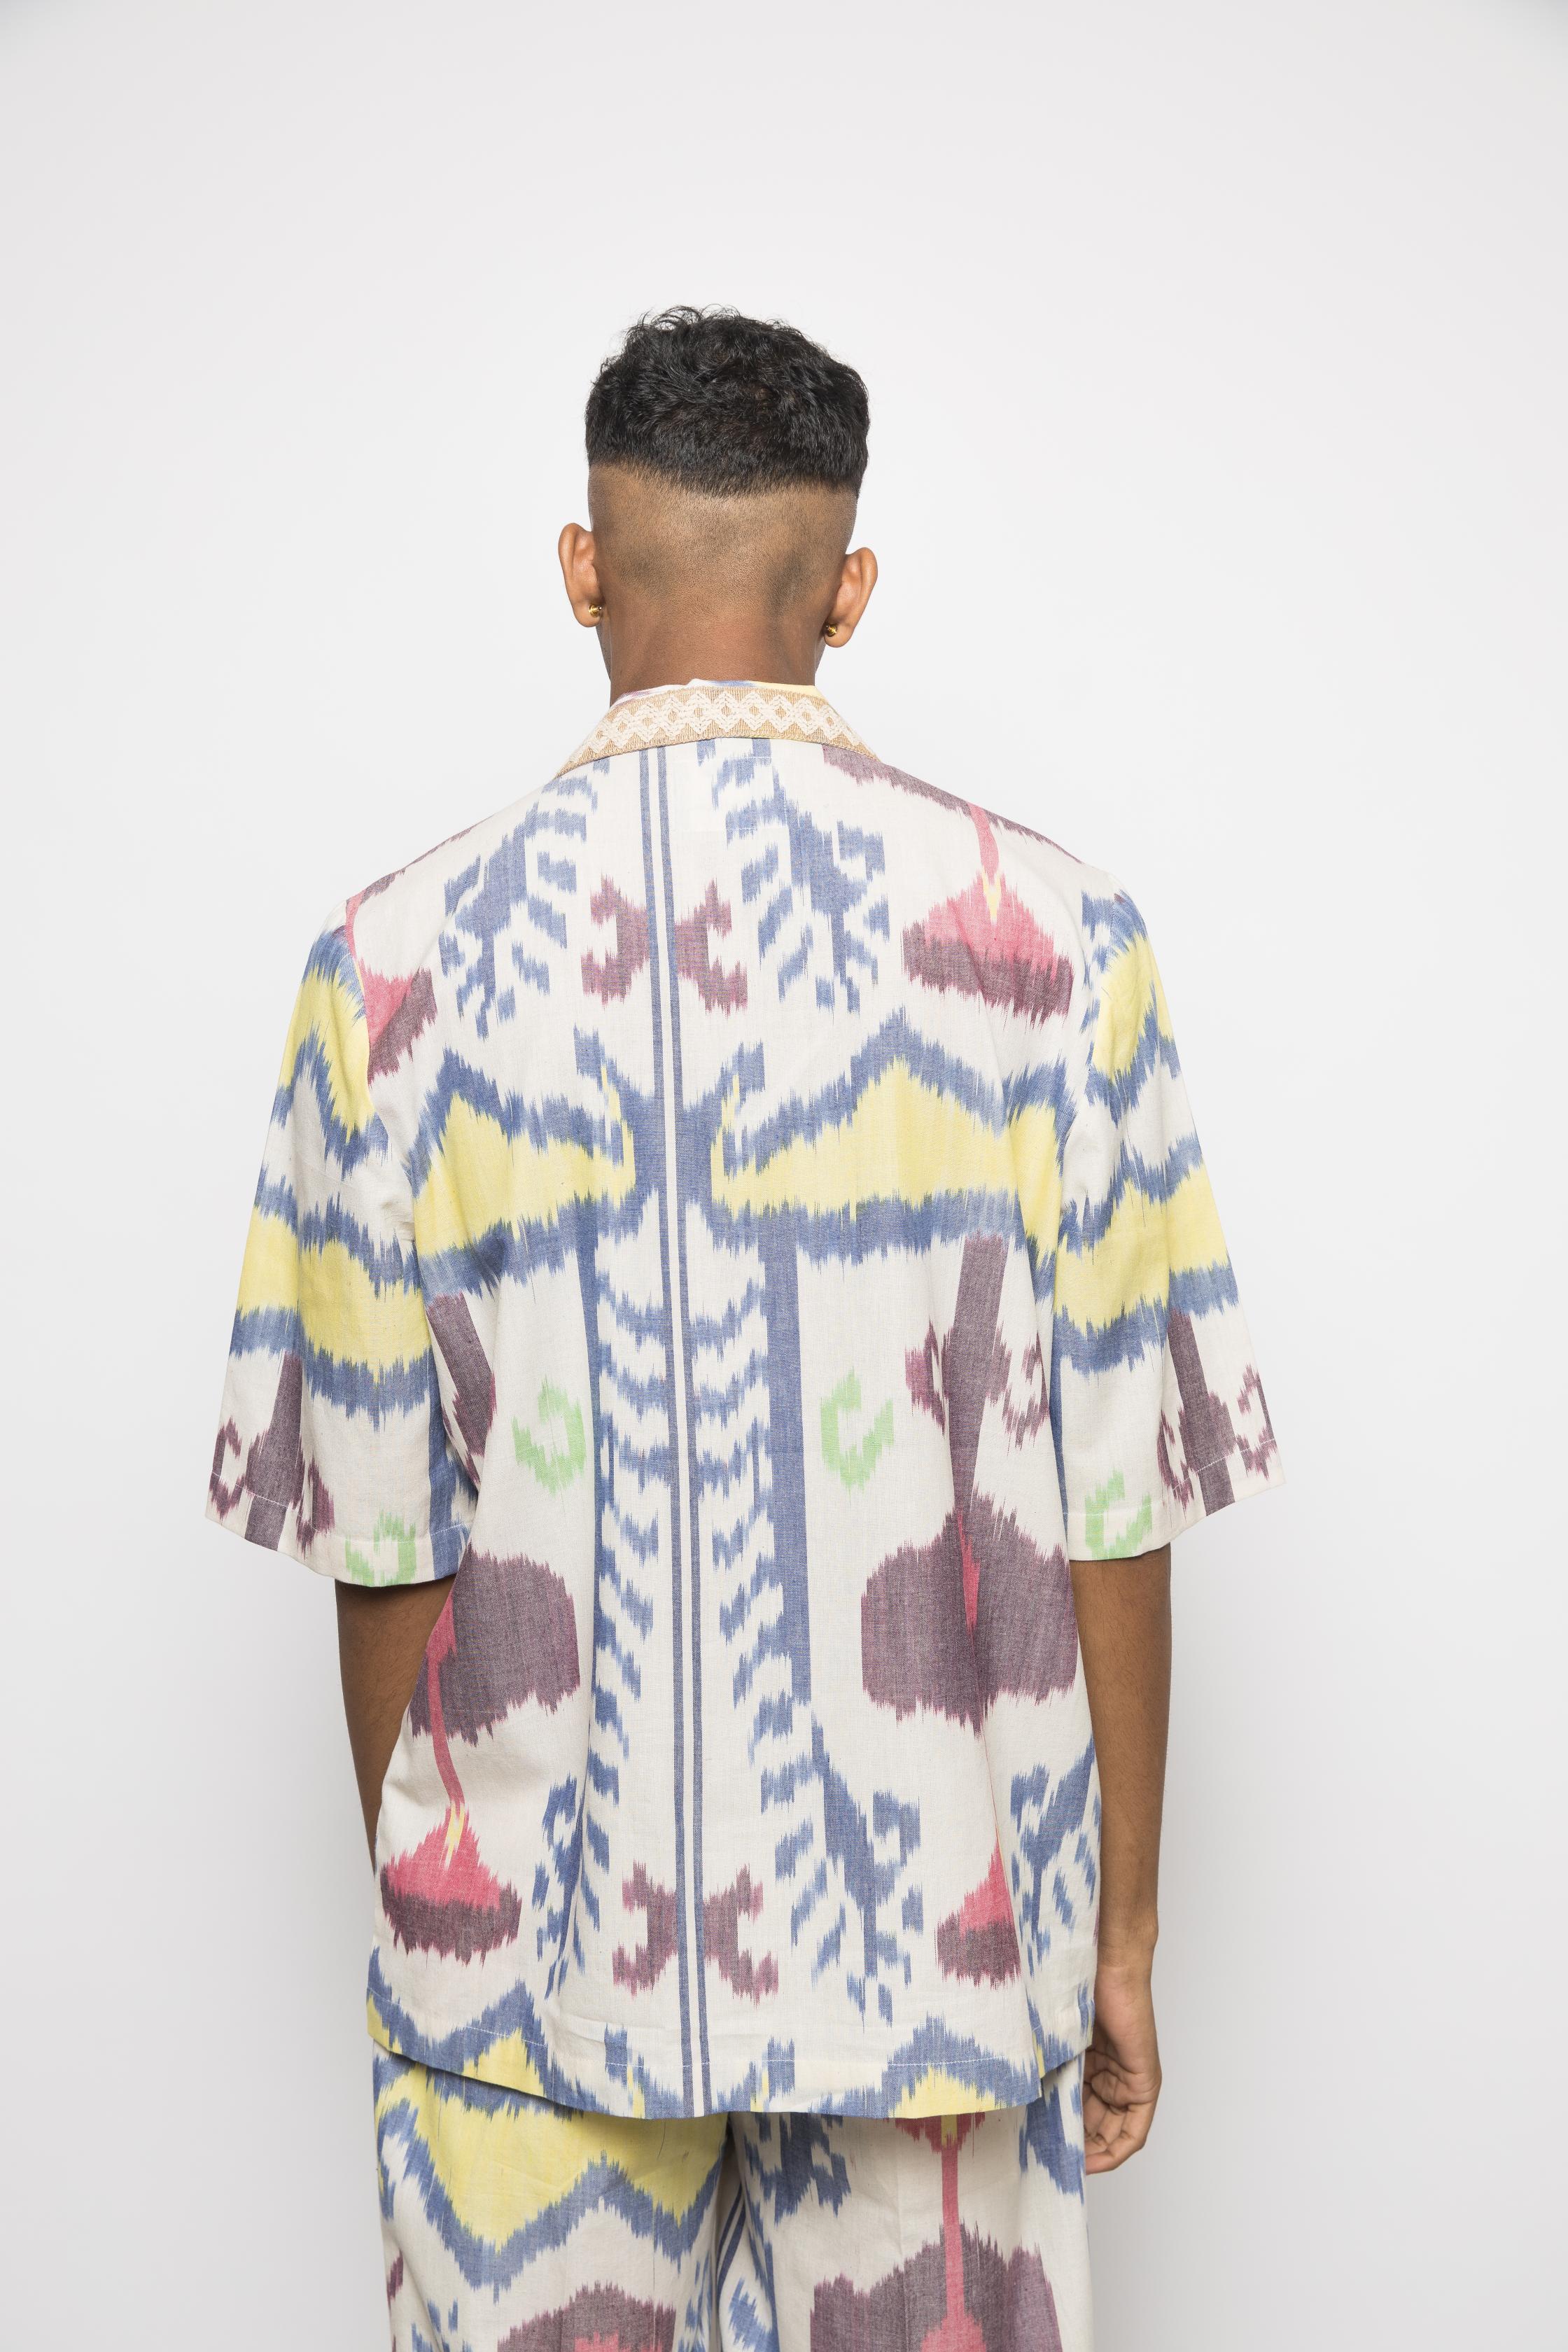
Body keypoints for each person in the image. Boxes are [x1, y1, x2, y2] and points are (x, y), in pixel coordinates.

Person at [206, 305, 1282, 2351]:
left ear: (581, 566)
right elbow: (1117, 1510)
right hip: (947, 1960)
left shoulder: (383, 974)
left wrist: (446, 1913)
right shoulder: (1063, 947)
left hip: (525, 1968)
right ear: (848, 589)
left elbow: (379, 1532)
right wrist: (1120, 1935)